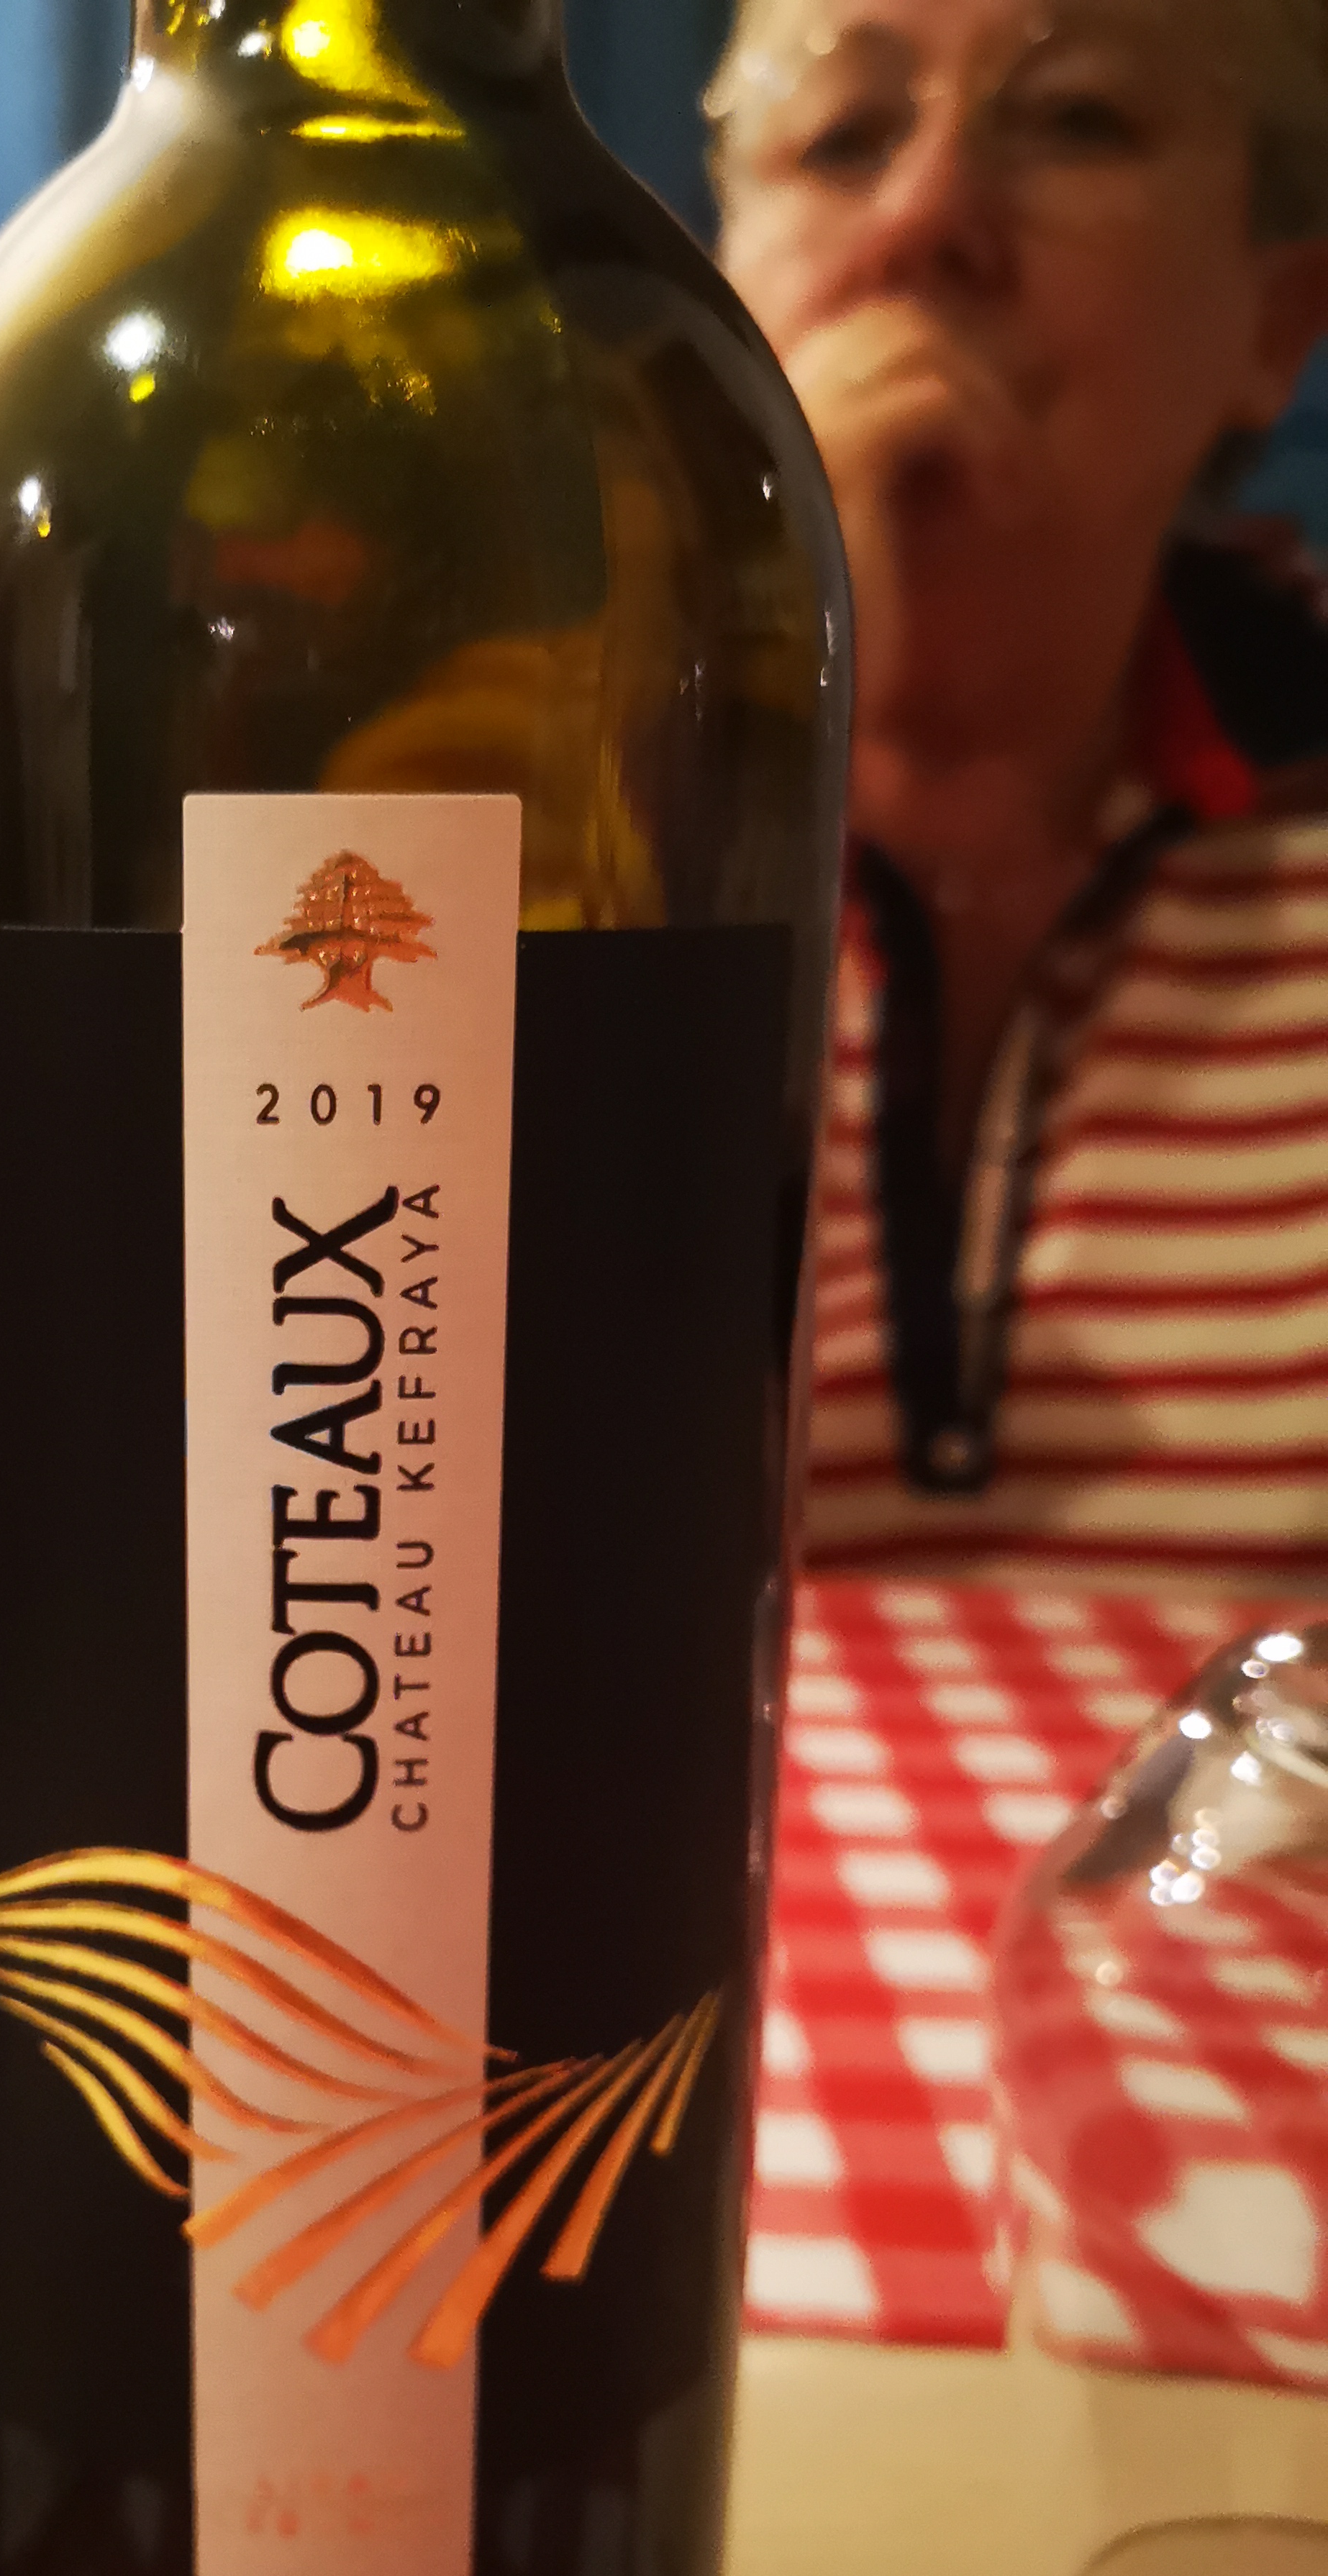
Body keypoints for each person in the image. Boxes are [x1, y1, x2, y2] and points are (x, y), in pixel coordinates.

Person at [711, 0, 1328, 1578]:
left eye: (1077, 121)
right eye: (841, 136)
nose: (925, 219)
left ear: (1280, 322)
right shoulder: (518, 802)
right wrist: (767, 717)